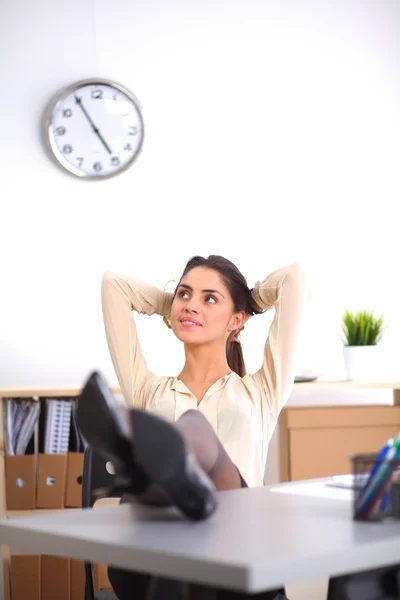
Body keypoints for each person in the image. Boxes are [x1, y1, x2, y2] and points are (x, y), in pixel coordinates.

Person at [89, 255, 308, 600]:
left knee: (192, 427)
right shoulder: (149, 391)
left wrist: (248, 303)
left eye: (209, 298)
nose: (191, 304)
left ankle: (158, 475)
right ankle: (164, 483)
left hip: (239, 558)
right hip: (161, 558)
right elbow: (113, 287)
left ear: (236, 321)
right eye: (184, 294)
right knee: (185, 439)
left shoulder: (260, 391)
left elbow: (292, 280)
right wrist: (177, 310)